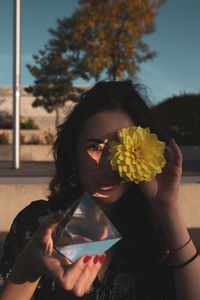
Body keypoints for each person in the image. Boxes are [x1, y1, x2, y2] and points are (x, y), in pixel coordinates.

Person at [0, 80, 200, 300]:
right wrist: (29, 265)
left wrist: (167, 208)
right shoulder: (37, 223)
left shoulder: (156, 232)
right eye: (94, 147)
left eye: (119, 148)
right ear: (74, 153)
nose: (109, 164)